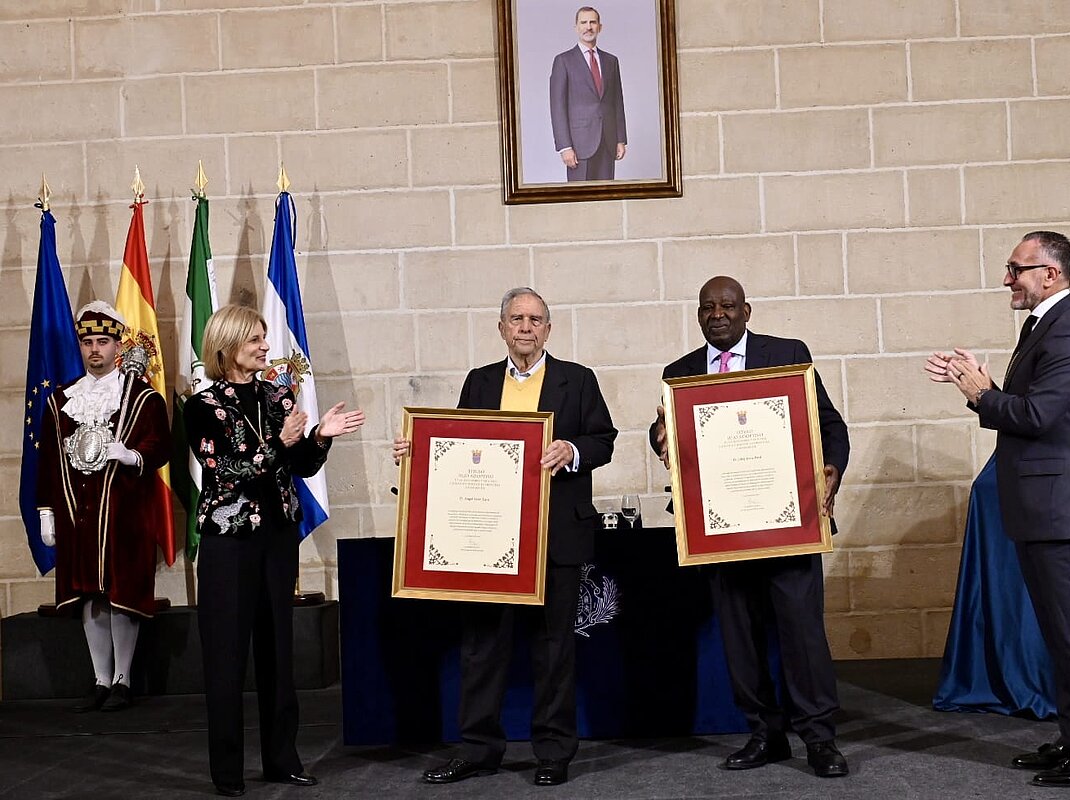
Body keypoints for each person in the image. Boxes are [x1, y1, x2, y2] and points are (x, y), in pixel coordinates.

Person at [397, 287, 617, 787]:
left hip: (556, 538)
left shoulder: (578, 381)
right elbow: (457, 444)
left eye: (535, 319)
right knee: (482, 648)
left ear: (548, 329)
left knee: (554, 649)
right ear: (501, 327)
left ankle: (553, 753)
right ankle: (478, 749)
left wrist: (571, 449)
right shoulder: (479, 382)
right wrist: (419, 450)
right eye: (516, 318)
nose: (525, 327)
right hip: (488, 540)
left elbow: (604, 440)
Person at [649, 276, 852, 778]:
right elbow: (665, 437)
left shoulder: (788, 354)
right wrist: (660, 438)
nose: (718, 314)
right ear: (698, 316)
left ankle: (820, 739)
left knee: (803, 635)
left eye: (728, 306)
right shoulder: (680, 373)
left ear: (747, 311)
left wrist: (831, 470)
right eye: (708, 308)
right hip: (720, 529)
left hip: (788, 524)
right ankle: (765, 734)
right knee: (739, 638)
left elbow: (830, 426)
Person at [925, 231, 1070, 789]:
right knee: (1061, 635)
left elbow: (1041, 416)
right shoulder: (1044, 325)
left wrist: (981, 394)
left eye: (1016, 268)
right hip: (1044, 508)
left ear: (1050, 274)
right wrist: (979, 386)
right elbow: (1030, 409)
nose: (1007, 278)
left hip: (1065, 511)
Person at [184, 305, 364, 797]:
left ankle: (282, 759)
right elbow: (224, 473)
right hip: (228, 543)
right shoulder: (201, 406)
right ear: (227, 346)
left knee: (277, 653)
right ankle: (227, 772)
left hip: (276, 540)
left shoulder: (277, 395)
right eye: (256, 339)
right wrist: (278, 445)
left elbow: (300, 465)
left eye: (265, 337)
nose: (266, 346)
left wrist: (319, 438)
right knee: (226, 655)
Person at [36, 301, 172, 713]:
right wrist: (46, 512)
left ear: (117, 345)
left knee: (119, 594)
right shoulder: (61, 401)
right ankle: (99, 677)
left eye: (103, 341)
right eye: (88, 342)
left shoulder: (141, 397)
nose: (95, 349)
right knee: (90, 596)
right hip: (79, 512)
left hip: (124, 513)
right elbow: (47, 462)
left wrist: (131, 456)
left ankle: (123, 679)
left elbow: (161, 445)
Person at [549, 6, 627, 181]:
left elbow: (617, 102)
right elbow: (557, 107)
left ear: (600, 27)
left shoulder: (611, 61)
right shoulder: (563, 61)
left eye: (592, 22)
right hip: (578, 145)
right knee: (580, 202)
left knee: (606, 198)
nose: (588, 27)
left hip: (608, 142)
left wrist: (620, 138)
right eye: (583, 22)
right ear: (576, 27)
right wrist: (564, 147)